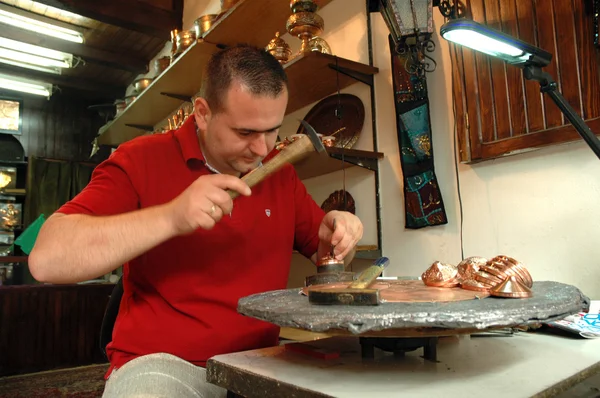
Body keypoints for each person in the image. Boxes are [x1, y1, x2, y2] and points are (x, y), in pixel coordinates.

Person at [28, 44, 363, 397]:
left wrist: (340, 239)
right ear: (202, 113)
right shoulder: (140, 159)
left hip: (262, 363)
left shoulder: (281, 176)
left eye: (273, 131)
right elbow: (47, 260)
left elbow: (332, 261)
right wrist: (172, 216)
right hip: (165, 365)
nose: (263, 150)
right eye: (246, 133)